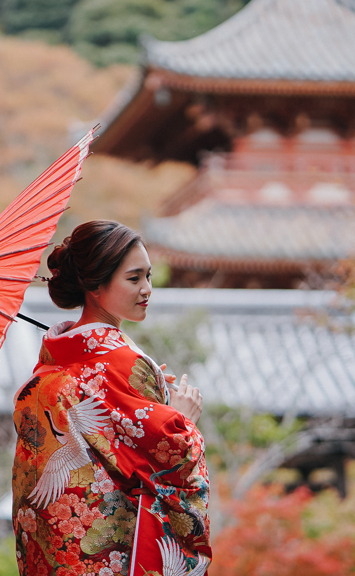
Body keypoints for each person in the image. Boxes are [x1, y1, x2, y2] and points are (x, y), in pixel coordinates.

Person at [11, 220, 211, 576]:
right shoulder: (122, 363)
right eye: (134, 279)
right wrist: (181, 420)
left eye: (148, 276)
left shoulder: (44, 372)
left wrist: (147, 393)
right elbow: (168, 456)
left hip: (57, 558)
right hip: (113, 559)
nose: (147, 289)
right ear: (94, 285)